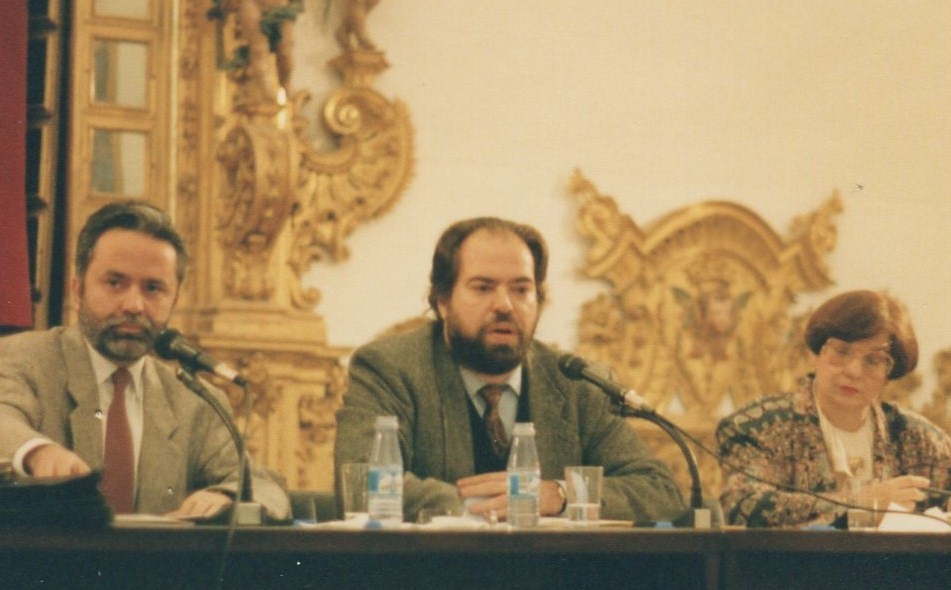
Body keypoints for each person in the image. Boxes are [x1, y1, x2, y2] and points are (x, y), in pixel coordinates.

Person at [334, 217, 685, 523]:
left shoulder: (577, 382)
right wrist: (481, 507)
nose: (504, 305)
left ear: (539, 301)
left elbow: (659, 490)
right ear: (442, 301)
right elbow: (363, 481)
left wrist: (559, 496)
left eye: (521, 289)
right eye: (483, 287)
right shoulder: (390, 368)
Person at [0, 201, 290, 521]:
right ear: (78, 290)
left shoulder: (194, 401)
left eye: (153, 288)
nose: (134, 305)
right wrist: (37, 452)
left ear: (174, 300)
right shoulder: (23, 359)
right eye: (115, 283)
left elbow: (266, 486)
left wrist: (225, 496)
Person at [716, 290, 951, 527]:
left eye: (873, 361)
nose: (853, 371)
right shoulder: (758, 426)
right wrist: (860, 506)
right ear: (816, 354)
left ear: (888, 375)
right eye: (841, 352)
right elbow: (743, 505)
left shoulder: (923, 441)